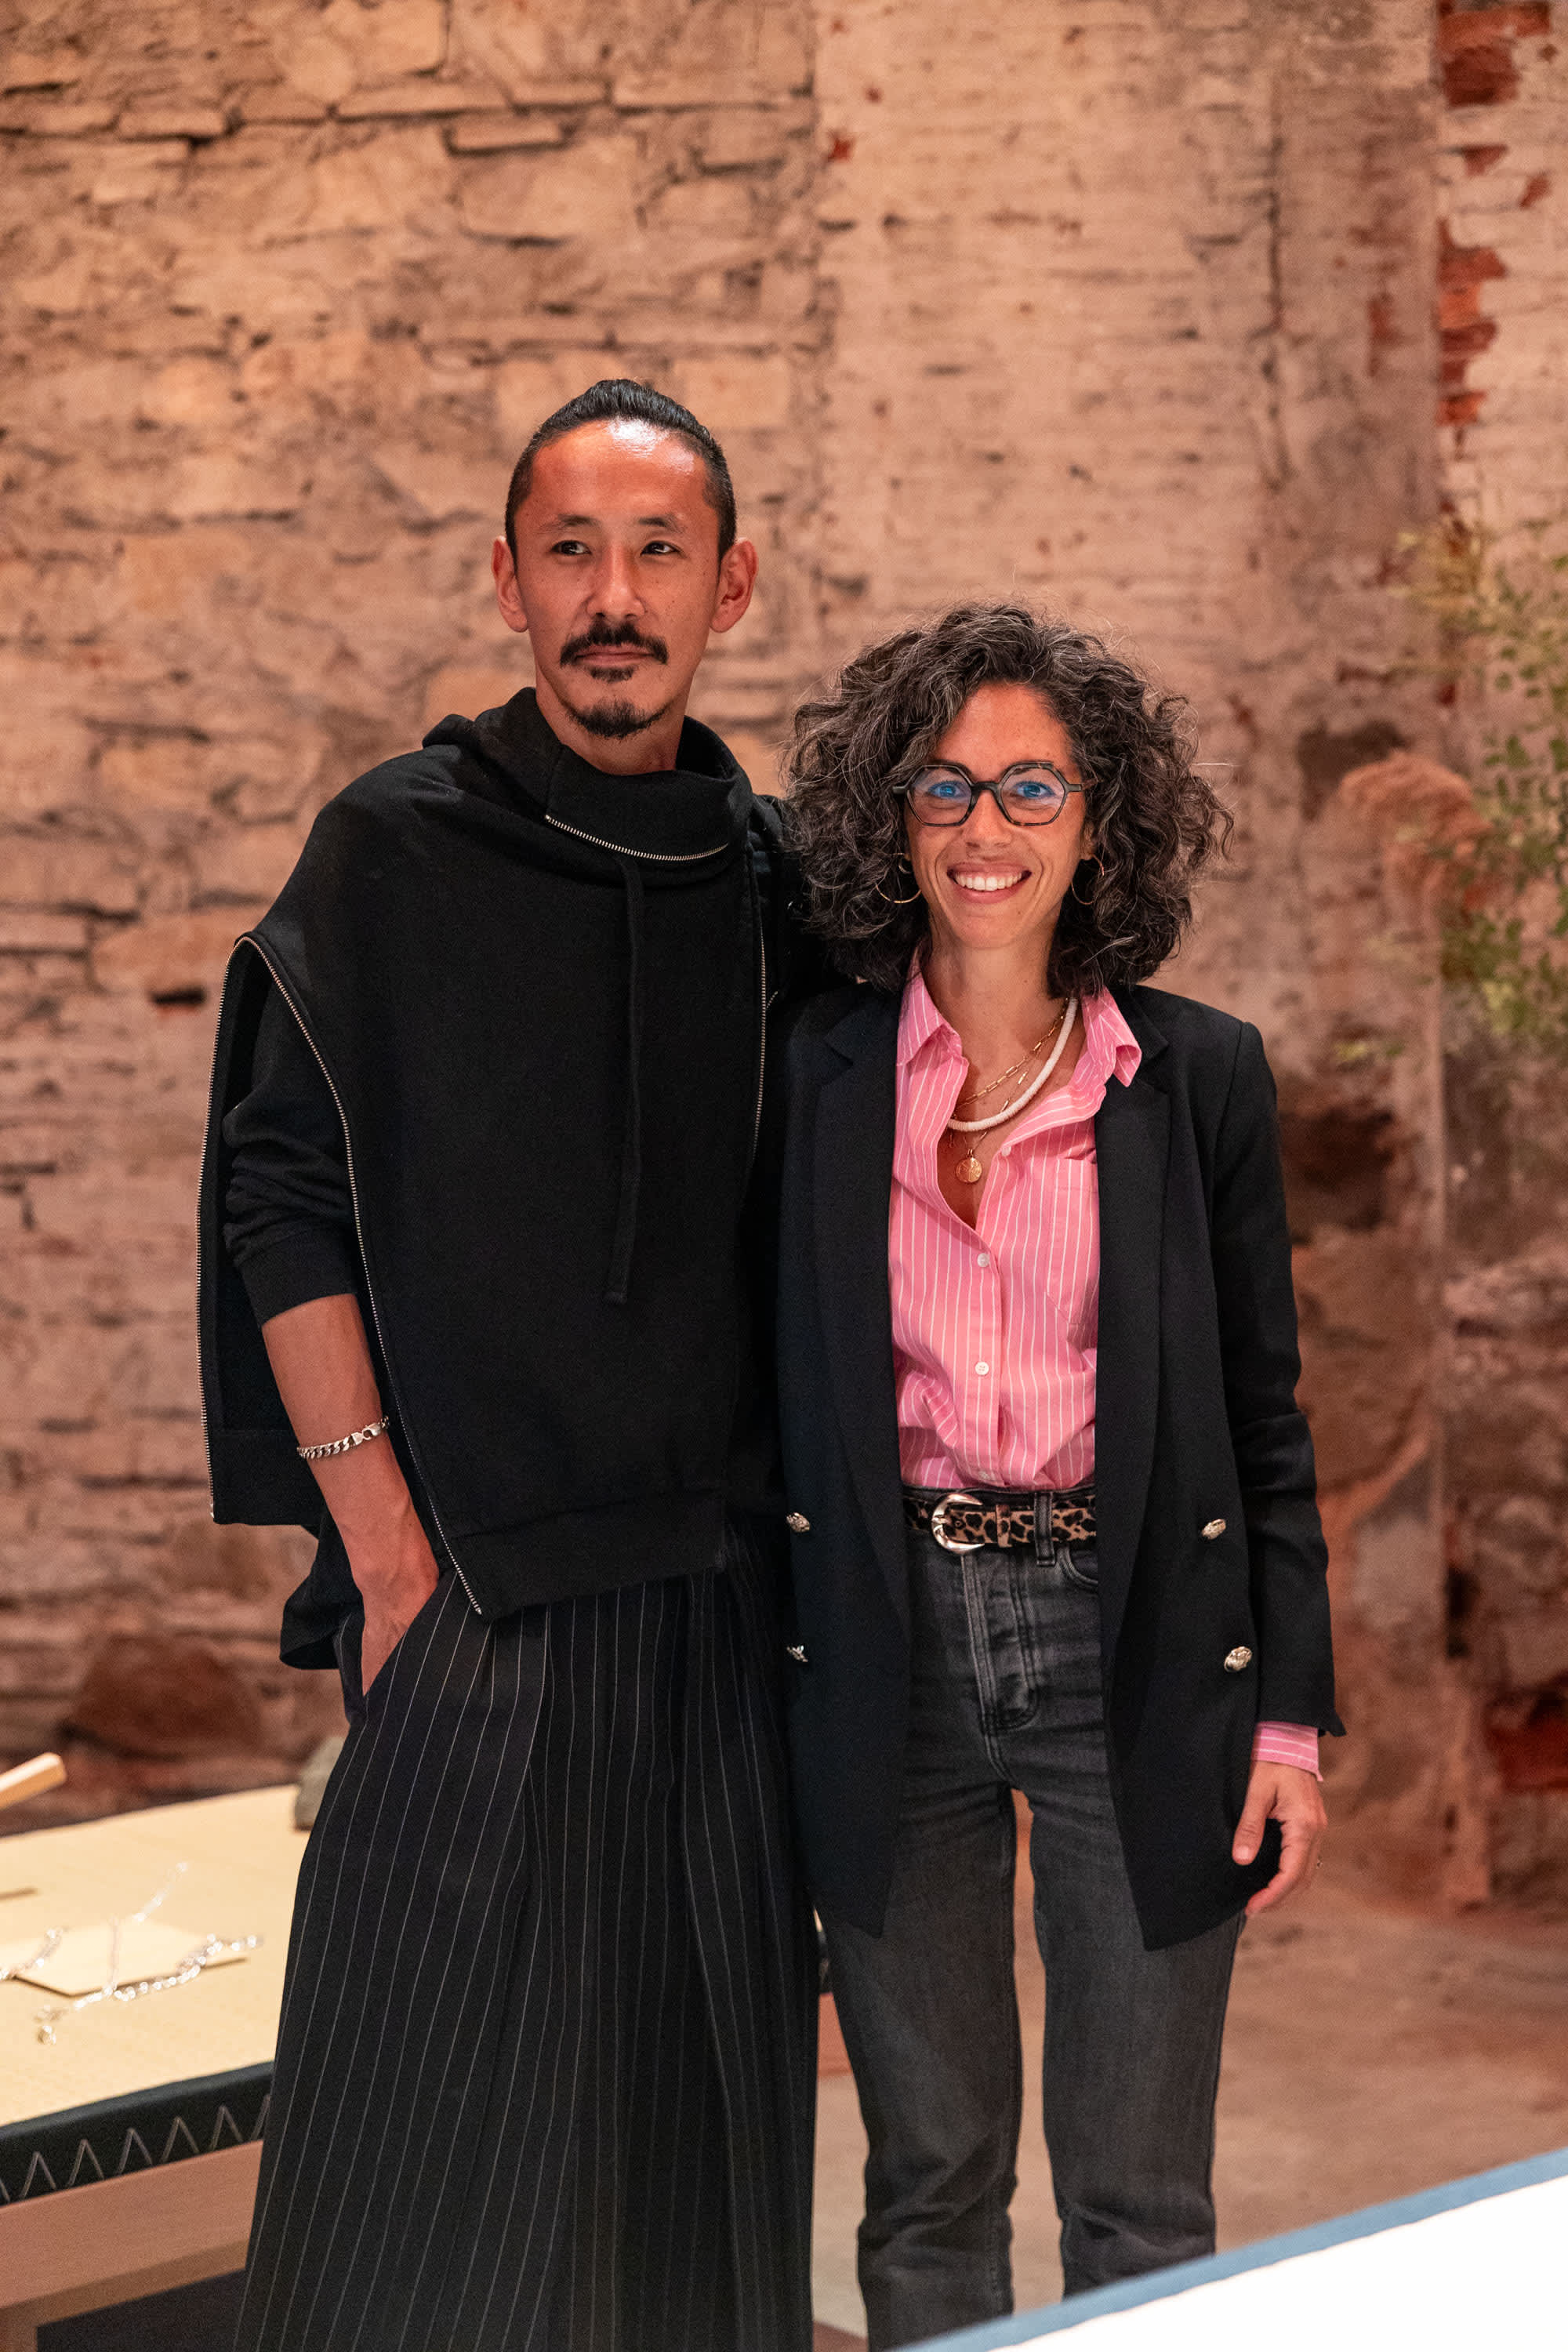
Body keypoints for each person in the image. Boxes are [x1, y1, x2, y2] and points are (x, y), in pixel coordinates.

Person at [198, 380, 818, 2352]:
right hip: (467, 1604)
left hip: (718, 1630)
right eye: (571, 551)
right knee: (410, 2231)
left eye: (656, 553)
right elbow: (279, 1197)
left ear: (730, 585)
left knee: (692, 2226)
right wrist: (383, 1554)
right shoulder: (394, 849)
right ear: (507, 582)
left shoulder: (783, 888)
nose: (612, 597)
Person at [764, 603, 1341, 2350]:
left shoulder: (1198, 1077)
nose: (985, 828)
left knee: (1139, 2194)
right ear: (892, 818)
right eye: (944, 786)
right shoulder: (812, 1071)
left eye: (1033, 787)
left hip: (1133, 1633)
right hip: (890, 1641)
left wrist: (1288, 1721)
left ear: (1100, 823)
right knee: (927, 2177)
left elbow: (1265, 1422)